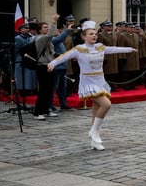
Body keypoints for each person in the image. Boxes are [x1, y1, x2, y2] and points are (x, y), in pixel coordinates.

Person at [47, 21, 137, 150]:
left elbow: (113, 49)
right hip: (88, 81)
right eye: (91, 34)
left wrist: (129, 49)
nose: (94, 36)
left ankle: (94, 141)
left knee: (96, 109)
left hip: (100, 80)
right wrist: (53, 63)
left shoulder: (100, 47)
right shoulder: (79, 49)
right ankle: (94, 132)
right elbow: (64, 56)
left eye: (95, 34)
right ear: (84, 36)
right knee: (106, 104)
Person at [31, 17, 61, 120]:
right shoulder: (39, 39)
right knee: (43, 90)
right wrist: (53, 22)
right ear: (39, 30)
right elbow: (50, 35)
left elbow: (51, 52)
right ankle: (38, 112)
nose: (47, 29)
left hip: (50, 65)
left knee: (49, 89)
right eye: (45, 27)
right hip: (42, 66)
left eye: (48, 27)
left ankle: (46, 109)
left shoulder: (47, 40)